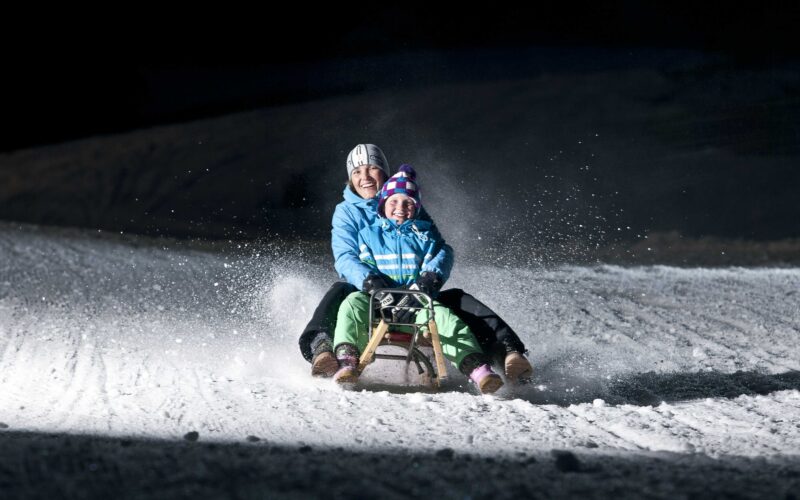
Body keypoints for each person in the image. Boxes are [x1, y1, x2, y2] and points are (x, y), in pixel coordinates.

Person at [298, 144, 532, 381]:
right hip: (370, 290)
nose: (364, 177)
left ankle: (507, 351)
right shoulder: (347, 212)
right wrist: (371, 282)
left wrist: (430, 277)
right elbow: (345, 256)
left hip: (414, 289)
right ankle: (323, 348)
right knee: (341, 294)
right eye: (357, 172)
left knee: (457, 300)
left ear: (384, 172)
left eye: (372, 169)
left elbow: (440, 247)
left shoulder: (403, 198)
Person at [332, 165, 504, 394]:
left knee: (444, 317)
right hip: (378, 304)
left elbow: (439, 256)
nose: (400, 209)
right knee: (352, 304)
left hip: (416, 305)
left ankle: (477, 368)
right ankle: (347, 361)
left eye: (408, 203)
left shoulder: (425, 236)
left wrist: (425, 282)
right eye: (393, 202)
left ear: (417, 207)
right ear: (382, 206)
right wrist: (373, 284)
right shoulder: (369, 235)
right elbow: (362, 263)